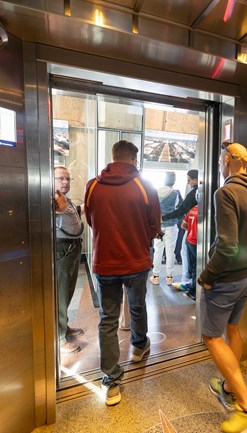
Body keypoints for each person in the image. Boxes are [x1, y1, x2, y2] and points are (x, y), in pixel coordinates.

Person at [199, 142, 247, 433]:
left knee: (211, 337)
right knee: (232, 328)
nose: (221, 164)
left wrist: (207, 275)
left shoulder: (226, 192)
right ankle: (231, 385)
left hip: (227, 279)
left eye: (222, 159)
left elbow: (228, 245)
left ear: (230, 160)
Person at [83, 140, 161, 406]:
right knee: (137, 306)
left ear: (113, 157)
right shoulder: (145, 186)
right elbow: (154, 226)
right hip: (137, 262)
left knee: (108, 318)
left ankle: (111, 380)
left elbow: (91, 220)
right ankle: (139, 347)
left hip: (104, 263)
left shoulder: (92, 185)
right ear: (134, 159)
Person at [54, 166, 85, 355]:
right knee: (60, 295)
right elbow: (57, 210)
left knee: (68, 291)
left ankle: (64, 328)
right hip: (62, 249)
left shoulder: (67, 200)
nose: (65, 182)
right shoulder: (55, 199)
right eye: (60, 179)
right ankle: (59, 338)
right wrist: (60, 208)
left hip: (72, 249)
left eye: (68, 179)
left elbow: (73, 213)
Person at [163, 169, 198, 288]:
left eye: (189, 180)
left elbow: (181, 210)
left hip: (191, 228)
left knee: (186, 254)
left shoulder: (194, 193)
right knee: (179, 252)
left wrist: (163, 217)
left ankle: (187, 282)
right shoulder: (200, 193)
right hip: (193, 227)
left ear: (195, 180)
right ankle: (185, 280)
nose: (188, 183)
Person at [150, 171, 182, 285]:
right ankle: (169, 277)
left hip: (159, 227)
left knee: (157, 251)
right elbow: (176, 207)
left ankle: (156, 276)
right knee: (170, 251)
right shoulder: (175, 194)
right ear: (173, 181)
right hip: (171, 226)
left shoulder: (155, 192)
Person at [181, 205, 198, 300]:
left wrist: (191, 229)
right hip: (197, 241)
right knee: (197, 267)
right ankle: (193, 291)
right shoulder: (204, 210)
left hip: (189, 240)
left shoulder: (192, 209)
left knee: (193, 266)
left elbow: (183, 225)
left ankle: (192, 289)